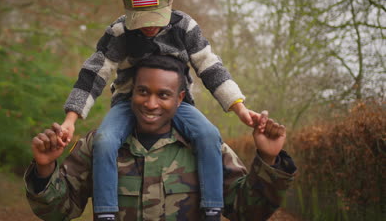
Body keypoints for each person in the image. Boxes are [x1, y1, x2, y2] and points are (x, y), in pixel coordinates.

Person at [59, 0, 265, 218]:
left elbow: (209, 66)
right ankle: (105, 212)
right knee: (104, 140)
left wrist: (239, 108)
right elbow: (94, 72)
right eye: (141, 20)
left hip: (179, 104)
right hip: (128, 101)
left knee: (209, 135)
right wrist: (71, 119)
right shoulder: (119, 32)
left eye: (155, 18)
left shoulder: (184, 27)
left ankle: (212, 207)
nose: (149, 28)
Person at [27, 55, 296, 221]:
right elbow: (58, 212)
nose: (151, 103)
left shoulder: (207, 147)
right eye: (143, 91)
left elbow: (248, 213)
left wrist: (269, 159)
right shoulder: (99, 145)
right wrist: (44, 168)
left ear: (180, 99)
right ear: (131, 92)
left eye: (164, 95)